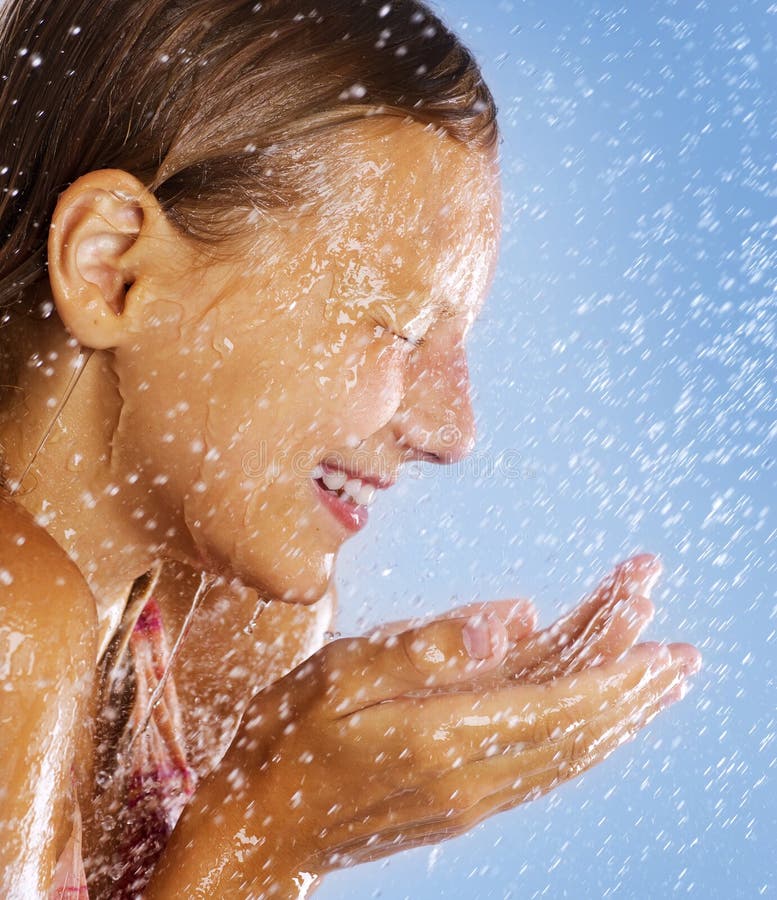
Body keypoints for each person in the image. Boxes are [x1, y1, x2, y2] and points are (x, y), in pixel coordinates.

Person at [0, 1, 702, 897]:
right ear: (114, 267)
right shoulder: (12, 613)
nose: (454, 432)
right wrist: (268, 832)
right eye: (402, 326)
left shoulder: (227, 623)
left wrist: (305, 773)